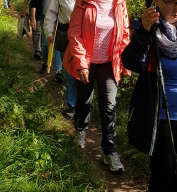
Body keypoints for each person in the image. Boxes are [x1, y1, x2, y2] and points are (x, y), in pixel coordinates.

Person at [121, 0, 177, 191]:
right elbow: (132, 63)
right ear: (157, 2)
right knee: (163, 176)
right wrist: (143, 32)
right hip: (161, 116)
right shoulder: (149, 26)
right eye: (169, 2)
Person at [63, 0, 131, 171]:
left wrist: (125, 62)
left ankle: (110, 151)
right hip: (86, 61)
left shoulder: (119, 3)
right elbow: (74, 32)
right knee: (84, 99)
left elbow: (124, 34)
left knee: (109, 105)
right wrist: (81, 64)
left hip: (109, 63)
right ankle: (80, 130)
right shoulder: (83, 3)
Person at [44, 0, 77, 117]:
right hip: (65, 35)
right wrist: (49, 32)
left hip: (84, 35)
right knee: (69, 72)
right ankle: (71, 105)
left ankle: (83, 102)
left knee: (84, 70)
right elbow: (51, 13)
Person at [31, 0, 63, 78]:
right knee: (46, 43)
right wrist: (33, 17)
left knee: (57, 45)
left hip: (59, 18)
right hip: (44, 16)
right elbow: (34, 2)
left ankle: (58, 71)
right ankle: (45, 63)